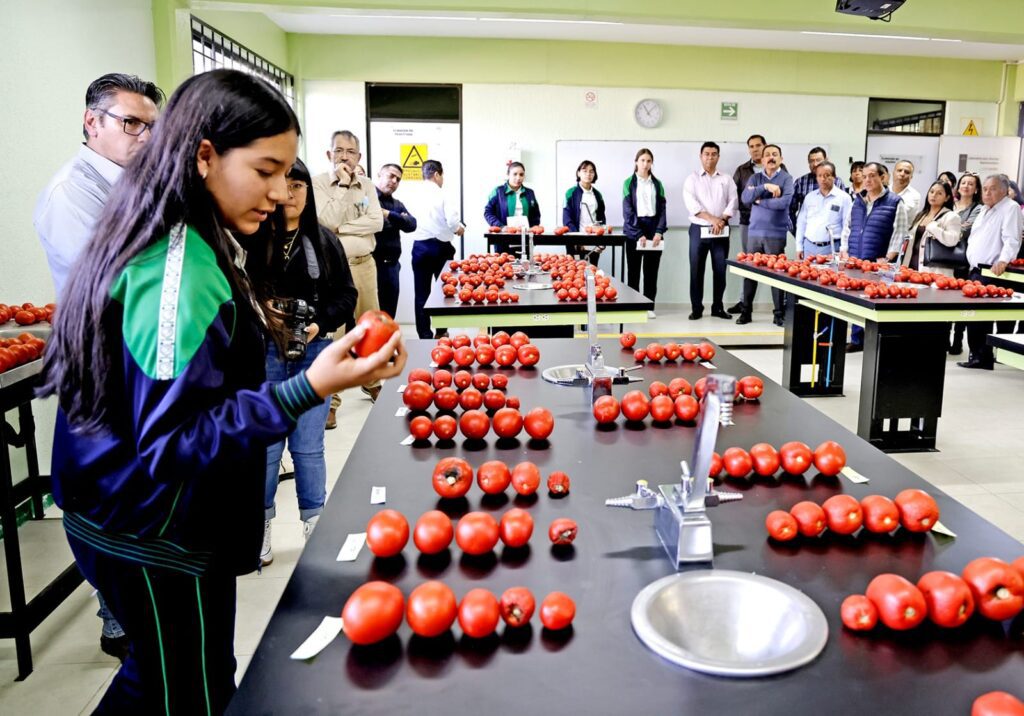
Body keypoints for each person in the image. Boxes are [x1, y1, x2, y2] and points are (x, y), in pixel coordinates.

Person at [39, 69, 406, 714]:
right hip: (150, 524)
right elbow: (172, 440)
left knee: (157, 679)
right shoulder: (178, 265)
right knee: (194, 693)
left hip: (131, 504)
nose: (280, 191)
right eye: (265, 170)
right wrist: (306, 388)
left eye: (289, 174)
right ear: (205, 155)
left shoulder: (190, 235)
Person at [33, 71, 164, 663]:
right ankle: (120, 620)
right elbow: (124, 281)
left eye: (153, 127)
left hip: (139, 368)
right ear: (94, 123)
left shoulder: (135, 185)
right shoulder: (73, 193)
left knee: (137, 493)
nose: (144, 137)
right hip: (105, 370)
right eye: (132, 123)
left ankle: (130, 612)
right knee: (108, 496)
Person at [246, 158, 357, 566]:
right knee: (268, 446)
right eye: (283, 184)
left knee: (309, 448)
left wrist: (317, 324)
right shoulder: (253, 237)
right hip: (266, 354)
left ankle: (315, 522)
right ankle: (260, 527)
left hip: (314, 353)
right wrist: (266, 313)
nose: (290, 194)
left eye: (299, 186)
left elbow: (346, 296)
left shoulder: (325, 242)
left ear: (308, 192)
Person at [313, 130, 384, 416]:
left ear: (359, 157)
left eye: (350, 152)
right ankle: (332, 401)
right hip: (333, 270)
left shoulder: (367, 184)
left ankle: (373, 380)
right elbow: (324, 220)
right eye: (339, 151)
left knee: (370, 329)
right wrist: (342, 186)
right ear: (329, 154)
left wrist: (340, 229)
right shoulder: (318, 183)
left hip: (365, 263)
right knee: (336, 335)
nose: (344, 156)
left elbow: (376, 221)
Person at [958, 174, 1022, 369]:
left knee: (984, 316)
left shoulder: (1010, 208)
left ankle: (983, 356)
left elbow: (1012, 238)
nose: (987, 192)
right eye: (985, 188)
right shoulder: (985, 209)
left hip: (994, 272)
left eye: (992, 188)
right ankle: (978, 355)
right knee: (975, 316)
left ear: (1004, 190)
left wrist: (1003, 260)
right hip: (976, 270)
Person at [846, 162, 910, 352]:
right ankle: (857, 340)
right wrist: (844, 250)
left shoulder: (895, 202)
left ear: (883, 177)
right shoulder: (857, 200)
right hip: (856, 260)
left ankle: (874, 343)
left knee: (875, 301)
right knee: (857, 300)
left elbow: (900, 232)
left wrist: (889, 258)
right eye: (864, 176)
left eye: (872, 175)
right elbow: (847, 228)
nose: (867, 180)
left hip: (879, 261)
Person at [737, 144, 793, 326]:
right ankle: (746, 312)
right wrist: (766, 187)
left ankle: (778, 314)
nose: (771, 158)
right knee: (750, 274)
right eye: (767, 155)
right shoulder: (756, 177)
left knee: (777, 275)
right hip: (754, 233)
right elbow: (746, 198)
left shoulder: (786, 179)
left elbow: (783, 203)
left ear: (781, 159)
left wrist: (760, 201)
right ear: (761, 160)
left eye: (775, 155)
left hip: (775, 234)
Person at [407, 159, 464, 339]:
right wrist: (459, 229)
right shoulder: (442, 194)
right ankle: (441, 331)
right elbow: (453, 222)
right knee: (444, 292)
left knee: (421, 293)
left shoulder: (412, 195)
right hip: (441, 248)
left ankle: (424, 334)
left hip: (420, 248)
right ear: (437, 174)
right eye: (442, 176)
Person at [683, 141, 737, 320]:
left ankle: (718, 307)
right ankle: (697, 308)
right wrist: (712, 219)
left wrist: (721, 220)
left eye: (714, 154)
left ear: (718, 157)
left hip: (721, 230)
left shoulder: (726, 179)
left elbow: (733, 201)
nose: (710, 157)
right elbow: (692, 204)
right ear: (701, 156)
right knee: (696, 270)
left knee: (720, 270)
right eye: (707, 154)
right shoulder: (692, 178)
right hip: (699, 230)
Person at [622, 147, 667, 317]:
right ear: (636, 162)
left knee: (651, 272)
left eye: (648, 161)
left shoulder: (657, 184)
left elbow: (663, 210)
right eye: (642, 160)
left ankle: (649, 307)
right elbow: (628, 211)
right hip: (634, 230)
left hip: (653, 231)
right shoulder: (628, 183)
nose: (645, 164)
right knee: (633, 271)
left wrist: (659, 232)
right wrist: (638, 233)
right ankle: (634, 306)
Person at [729, 134, 767, 313]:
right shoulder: (742, 170)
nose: (755, 149)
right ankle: (745, 304)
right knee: (749, 264)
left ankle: (779, 309)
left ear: (765, 146)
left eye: (758, 145)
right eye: (751, 146)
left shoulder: (778, 168)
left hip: (771, 224)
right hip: (747, 222)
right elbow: (735, 195)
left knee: (775, 266)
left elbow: (783, 193)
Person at [373, 163, 417, 319]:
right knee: (371, 315)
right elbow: (376, 225)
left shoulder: (396, 204)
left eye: (398, 179)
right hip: (372, 266)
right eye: (390, 176)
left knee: (389, 315)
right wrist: (398, 219)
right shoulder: (368, 199)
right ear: (379, 174)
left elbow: (412, 224)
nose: (394, 181)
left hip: (392, 266)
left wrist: (388, 214)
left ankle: (386, 343)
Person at [949, 172, 984, 354]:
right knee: (944, 299)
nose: (966, 186)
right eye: (963, 182)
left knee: (961, 300)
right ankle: (945, 337)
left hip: (962, 260)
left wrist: (948, 228)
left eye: (971, 184)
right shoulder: (950, 204)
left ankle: (957, 338)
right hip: (944, 259)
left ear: (976, 189)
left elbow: (967, 229)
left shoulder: (978, 208)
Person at [899, 181, 960, 271]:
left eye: (939, 193)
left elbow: (952, 240)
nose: (934, 195)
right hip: (911, 266)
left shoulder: (951, 216)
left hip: (934, 270)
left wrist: (933, 228)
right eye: (931, 192)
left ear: (947, 198)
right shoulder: (921, 215)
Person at [795, 161, 851, 259]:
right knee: (807, 273)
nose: (823, 179)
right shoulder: (810, 197)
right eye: (819, 175)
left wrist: (844, 248)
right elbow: (801, 223)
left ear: (834, 177)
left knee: (829, 274)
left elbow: (847, 225)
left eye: (827, 175)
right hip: (809, 247)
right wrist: (799, 246)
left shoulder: (844, 198)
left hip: (831, 248)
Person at [484, 162, 540, 253]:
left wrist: (533, 229)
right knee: (504, 265)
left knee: (525, 265)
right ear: (508, 175)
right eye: (514, 174)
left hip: (525, 240)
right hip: (503, 240)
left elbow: (536, 215)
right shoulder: (498, 191)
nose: (518, 178)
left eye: (521, 174)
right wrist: (501, 227)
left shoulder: (530, 193)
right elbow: (488, 212)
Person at [563, 159, 606, 264]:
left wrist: (601, 241)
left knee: (591, 271)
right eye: (584, 170)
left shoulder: (598, 195)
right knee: (574, 273)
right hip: (575, 242)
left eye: (591, 171)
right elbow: (567, 220)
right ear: (578, 173)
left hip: (593, 242)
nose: (588, 174)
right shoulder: (570, 193)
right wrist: (577, 239)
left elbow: (601, 219)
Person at [791, 146, 846, 228]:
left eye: (818, 160)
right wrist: (797, 230)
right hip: (808, 234)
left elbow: (844, 211)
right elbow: (790, 209)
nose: (815, 164)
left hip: (832, 235)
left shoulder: (837, 182)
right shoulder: (800, 182)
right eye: (811, 161)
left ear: (826, 160)